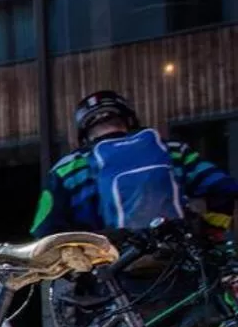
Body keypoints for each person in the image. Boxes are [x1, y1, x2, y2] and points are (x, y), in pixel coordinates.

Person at [31, 90, 238, 237]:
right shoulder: (173, 151)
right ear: (130, 121)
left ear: (84, 134)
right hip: (177, 267)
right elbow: (224, 188)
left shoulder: (67, 169)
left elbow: (44, 229)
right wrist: (211, 230)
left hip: (110, 278)